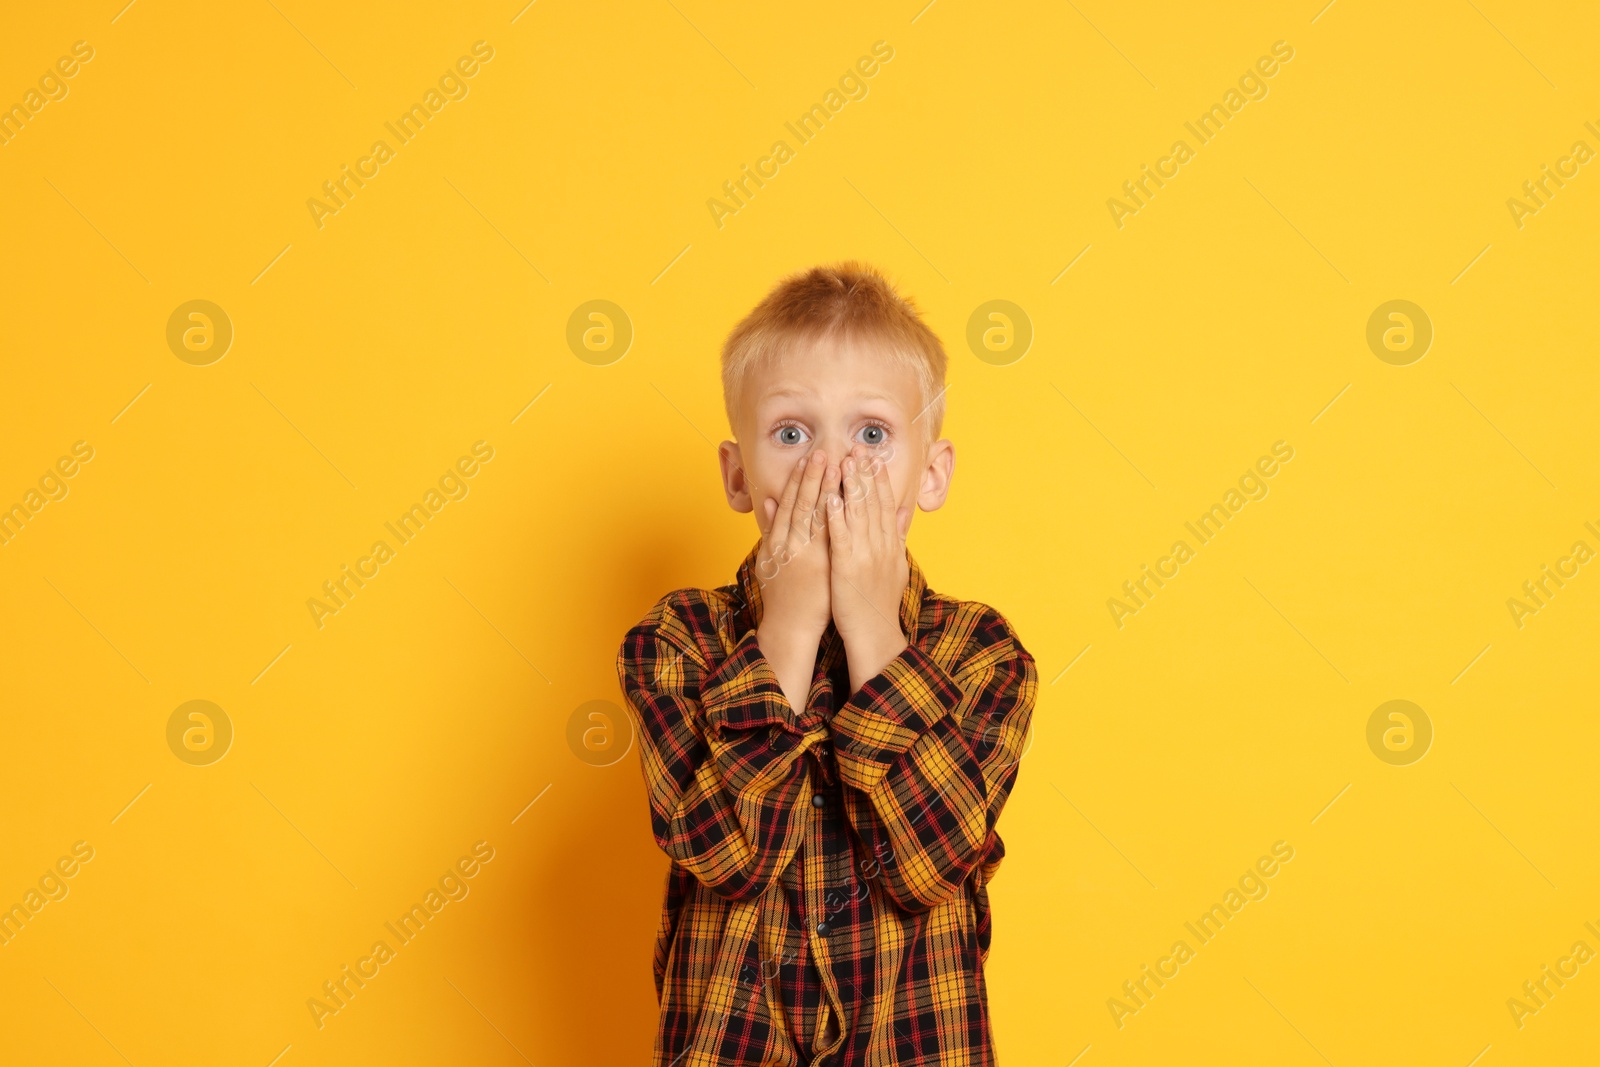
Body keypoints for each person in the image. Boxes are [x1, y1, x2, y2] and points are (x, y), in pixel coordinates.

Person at [616, 261, 1037, 1065]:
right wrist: (794, 614)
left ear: (933, 473)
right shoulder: (674, 642)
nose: (832, 469)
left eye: (871, 434)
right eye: (792, 434)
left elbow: (932, 863)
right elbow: (729, 856)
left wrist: (872, 620)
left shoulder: (983, 654)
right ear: (739, 476)